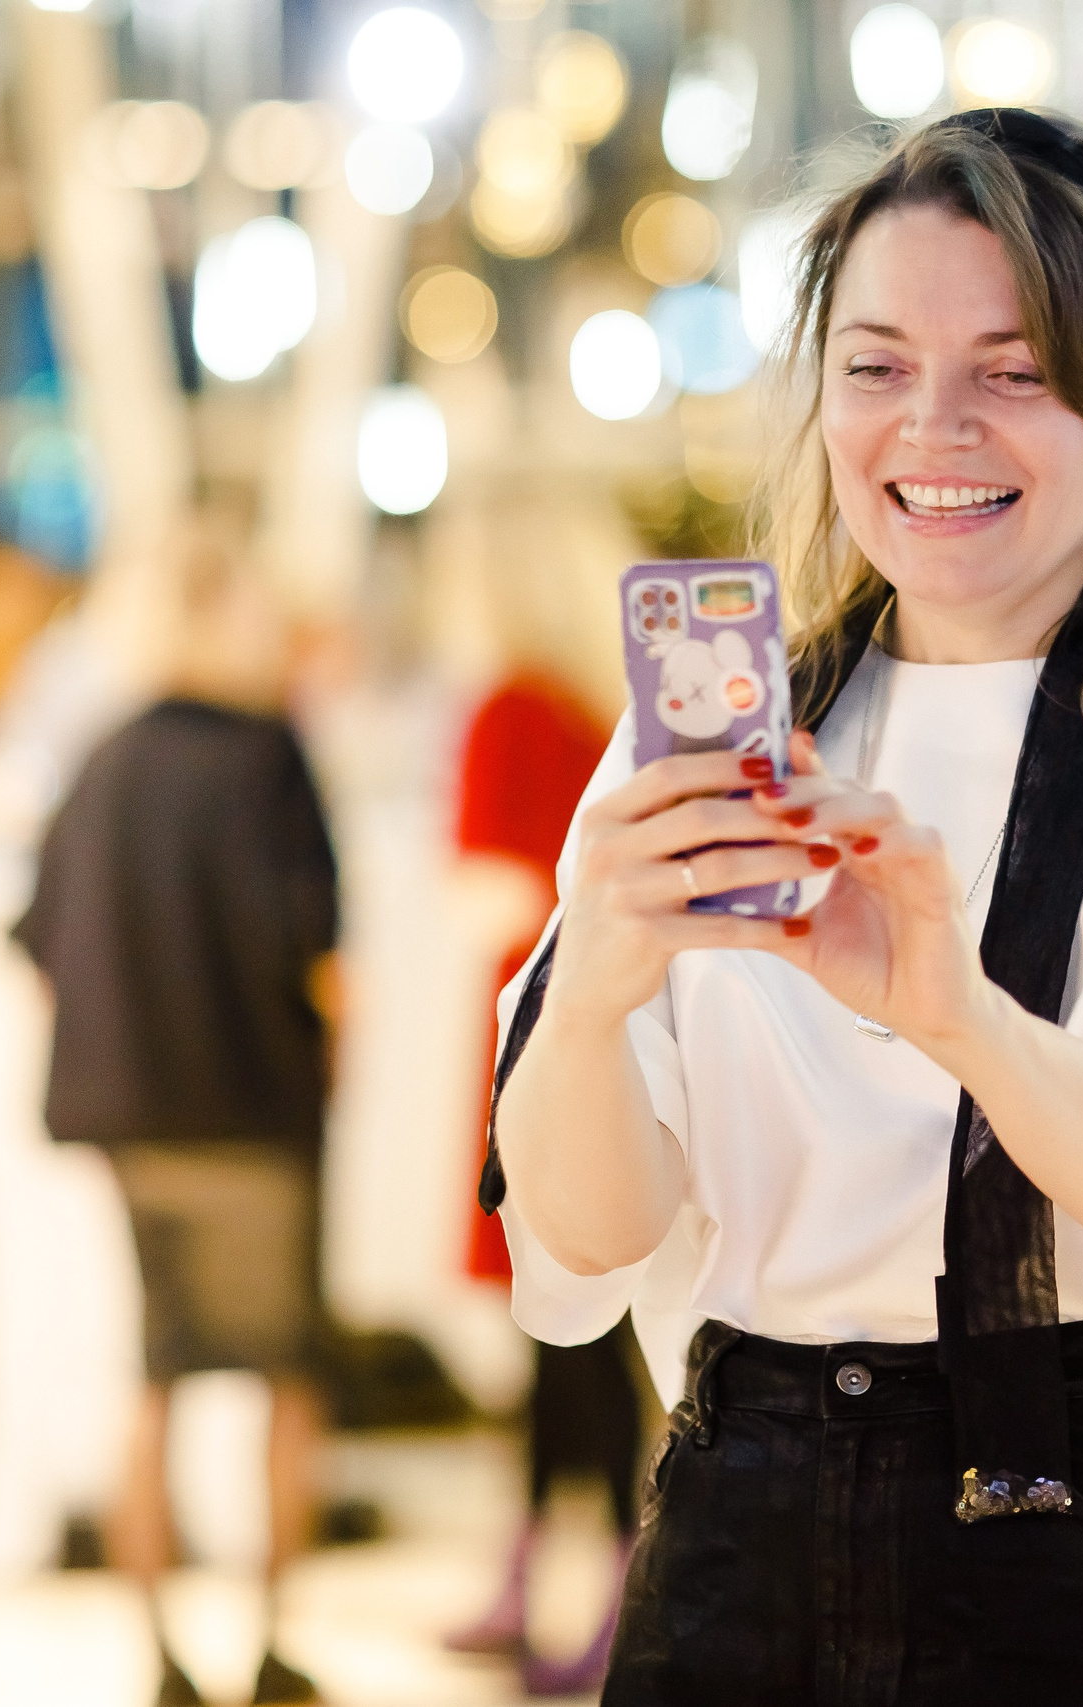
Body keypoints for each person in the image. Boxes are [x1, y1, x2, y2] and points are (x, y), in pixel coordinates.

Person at [483, 109, 1083, 1704]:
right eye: (875, 367)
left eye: (1013, 373)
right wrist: (592, 989)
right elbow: (592, 1234)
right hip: (749, 1519)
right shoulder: (730, 739)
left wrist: (961, 1019)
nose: (931, 426)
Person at [15, 529, 341, 1707]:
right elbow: (313, 945)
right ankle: (270, 1643)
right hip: (253, 1107)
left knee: (154, 1377)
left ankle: (155, 1651)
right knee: (287, 1377)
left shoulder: (101, 758)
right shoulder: (266, 753)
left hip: (130, 1119)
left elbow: (36, 938)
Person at [440, 664, 651, 1697]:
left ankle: (604, 1582)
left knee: (572, 1334)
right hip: (609, 1025)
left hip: (543, 1027)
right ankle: (558, 1572)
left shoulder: (512, 705)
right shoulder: (608, 707)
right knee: (582, 1340)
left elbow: (490, 892)